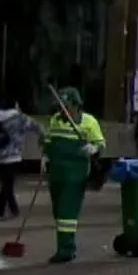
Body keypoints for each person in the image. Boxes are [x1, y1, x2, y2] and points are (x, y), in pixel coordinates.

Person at [42, 86, 105, 264]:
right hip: (56, 172)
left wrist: (93, 149)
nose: (63, 110)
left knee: (66, 212)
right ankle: (65, 245)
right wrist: (45, 156)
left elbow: (100, 143)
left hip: (75, 174)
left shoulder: (88, 122)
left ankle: (66, 250)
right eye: (61, 106)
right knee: (58, 211)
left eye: (67, 106)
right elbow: (49, 141)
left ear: (76, 106)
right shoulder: (55, 120)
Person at [0, 95, 36, 219]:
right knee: (8, 184)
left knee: (6, 183)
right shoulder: (19, 118)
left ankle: (0, 211)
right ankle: (12, 209)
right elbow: (34, 126)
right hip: (13, 155)